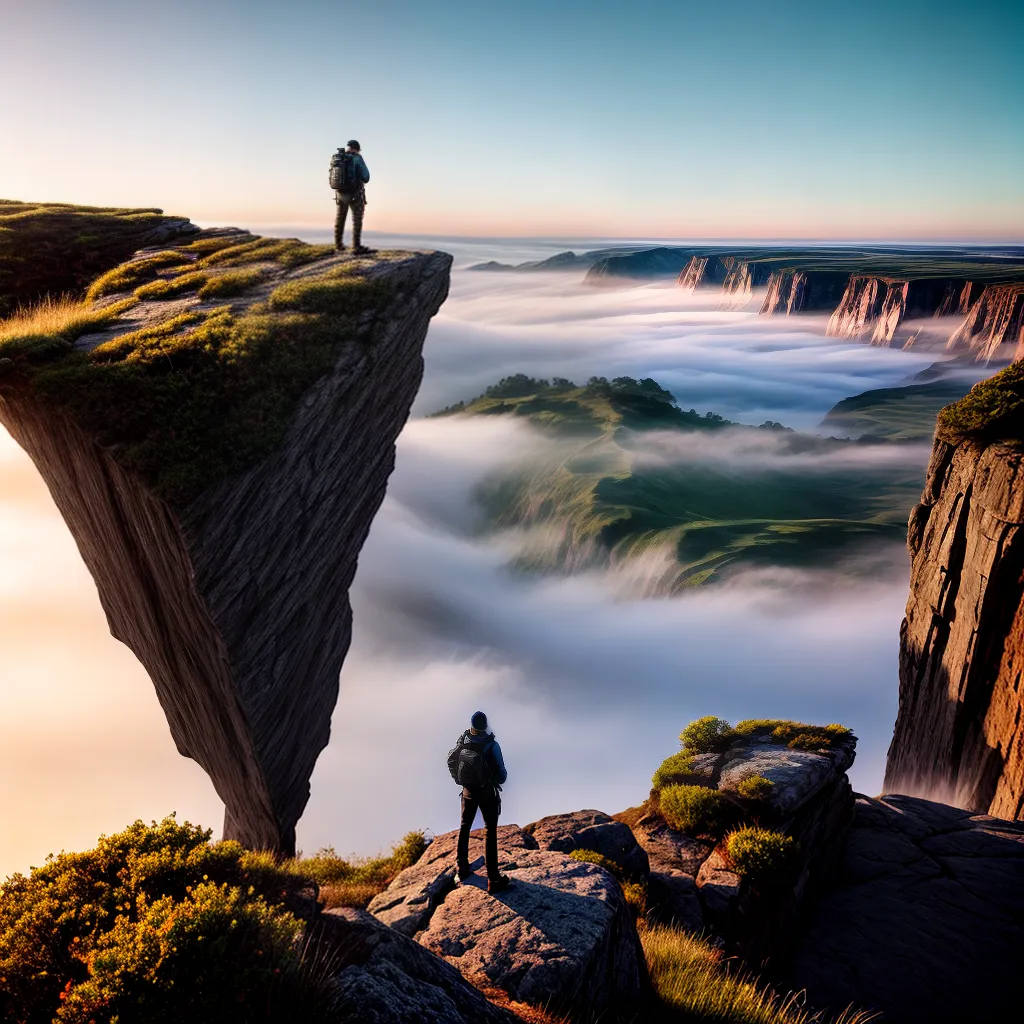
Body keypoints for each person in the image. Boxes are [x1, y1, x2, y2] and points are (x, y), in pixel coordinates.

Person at [453, 711, 512, 893]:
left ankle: (462, 869)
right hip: (487, 793)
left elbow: (455, 762)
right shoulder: (491, 745)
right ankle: (493, 879)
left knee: (465, 826)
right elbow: (502, 776)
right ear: (485, 726)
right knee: (490, 832)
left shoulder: (463, 740)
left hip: (468, 791)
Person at [332, 139, 372, 253]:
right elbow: (366, 177)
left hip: (340, 194)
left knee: (340, 219)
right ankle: (356, 246)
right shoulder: (357, 158)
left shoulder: (337, 157)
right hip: (354, 194)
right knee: (357, 220)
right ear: (358, 149)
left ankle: (338, 245)